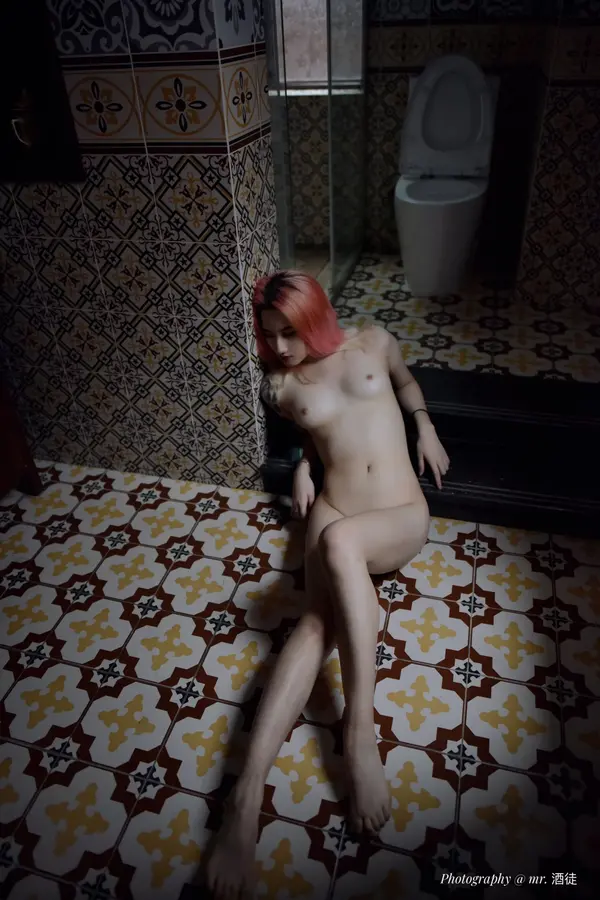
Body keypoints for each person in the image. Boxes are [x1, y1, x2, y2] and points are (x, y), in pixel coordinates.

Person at [206, 271, 450, 899]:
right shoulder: (280, 386)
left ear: (317, 317)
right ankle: (245, 797)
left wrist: (424, 425)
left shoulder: (374, 342)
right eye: (269, 335)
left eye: (290, 332)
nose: (280, 347)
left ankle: (358, 730)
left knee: (341, 544)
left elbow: (404, 384)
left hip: (397, 516)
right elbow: (320, 430)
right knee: (314, 622)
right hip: (336, 509)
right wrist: (303, 467)